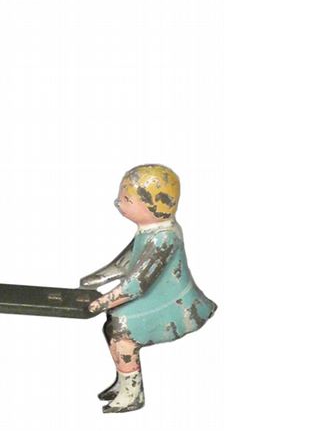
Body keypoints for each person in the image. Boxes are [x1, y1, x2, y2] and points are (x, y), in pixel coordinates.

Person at [79, 164, 216, 413]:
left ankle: (132, 394)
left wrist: (101, 302)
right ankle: (124, 380)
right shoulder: (150, 231)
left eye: (126, 199)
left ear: (154, 205)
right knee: (111, 326)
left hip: (170, 302)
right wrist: (99, 277)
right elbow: (126, 261)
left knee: (123, 335)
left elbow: (137, 284)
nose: (118, 202)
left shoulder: (164, 237)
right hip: (155, 295)